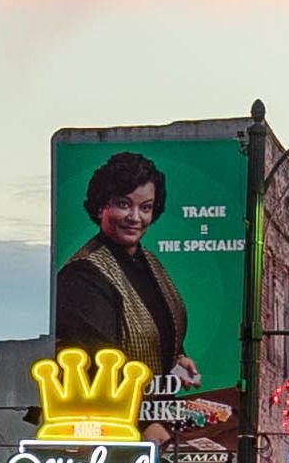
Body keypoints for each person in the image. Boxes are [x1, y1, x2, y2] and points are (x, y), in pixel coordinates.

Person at [53, 145, 196, 383]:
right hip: (112, 416)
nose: (135, 217)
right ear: (101, 207)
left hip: (155, 411)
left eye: (145, 207)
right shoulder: (82, 275)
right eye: (123, 204)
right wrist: (146, 419)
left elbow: (158, 330)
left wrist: (176, 360)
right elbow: (99, 370)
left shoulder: (147, 260)